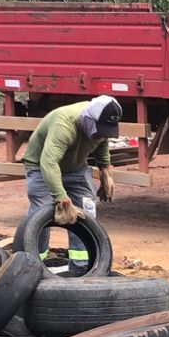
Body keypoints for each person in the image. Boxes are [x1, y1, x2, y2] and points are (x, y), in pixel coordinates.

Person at [23, 95, 121, 274]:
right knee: (42, 213)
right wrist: (61, 197)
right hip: (41, 166)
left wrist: (105, 169)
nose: (101, 134)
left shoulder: (99, 124)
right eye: (99, 129)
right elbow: (49, 162)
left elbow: (102, 142)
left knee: (86, 212)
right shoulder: (65, 125)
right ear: (88, 120)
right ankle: (32, 266)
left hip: (75, 168)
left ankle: (82, 267)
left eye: (105, 130)